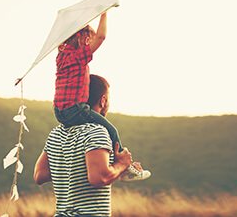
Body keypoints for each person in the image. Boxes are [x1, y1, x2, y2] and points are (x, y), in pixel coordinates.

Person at [34, 74, 151, 216]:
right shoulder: (96, 131)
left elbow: (40, 175)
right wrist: (121, 164)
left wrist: (73, 167)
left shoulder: (56, 133)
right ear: (103, 101)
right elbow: (99, 178)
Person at [53, 12, 149, 181]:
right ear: (81, 38)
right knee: (111, 130)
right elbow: (101, 37)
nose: (91, 43)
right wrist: (103, 13)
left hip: (58, 111)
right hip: (75, 109)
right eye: (88, 40)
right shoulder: (78, 56)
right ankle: (125, 167)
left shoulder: (61, 57)